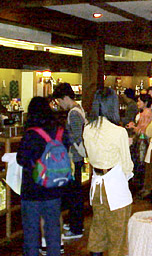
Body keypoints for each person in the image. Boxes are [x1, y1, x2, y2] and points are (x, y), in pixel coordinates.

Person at [83, 88, 134, 256]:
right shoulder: (119, 132)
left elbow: (88, 155)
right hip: (115, 186)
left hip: (96, 185)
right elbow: (127, 165)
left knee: (98, 228)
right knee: (118, 234)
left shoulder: (87, 129)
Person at [17, 97, 64, 256]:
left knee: (31, 231)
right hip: (54, 187)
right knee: (53, 229)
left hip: (32, 190)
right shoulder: (59, 130)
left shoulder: (31, 134)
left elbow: (21, 159)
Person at [51, 83, 86, 240]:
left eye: (59, 100)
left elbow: (78, 139)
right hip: (77, 159)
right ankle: (74, 223)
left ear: (65, 98)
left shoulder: (73, 113)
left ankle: (76, 228)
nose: (59, 104)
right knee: (75, 193)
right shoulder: (79, 109)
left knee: (75, 194)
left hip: (74, 159)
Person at [126, 94, 152, 192]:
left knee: (141, 163)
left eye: (139, 101)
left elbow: (143, 130)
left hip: (143, 142)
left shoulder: (146, 113)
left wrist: (133, 127)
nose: (138, 103)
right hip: (142, 141)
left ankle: (143, 187)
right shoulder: (146, 112)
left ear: (145, 102)